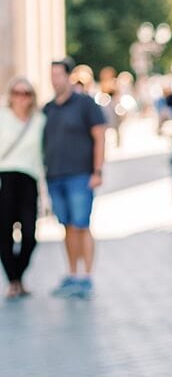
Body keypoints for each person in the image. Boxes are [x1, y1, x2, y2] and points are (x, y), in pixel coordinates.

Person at [42, 56, 106, 299]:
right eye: (52, 76)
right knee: (67, 227)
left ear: (68, 76)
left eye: (58, 75)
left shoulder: (85, 104)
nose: (54, 80)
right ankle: (71, 273)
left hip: (80, 175)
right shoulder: (48, 108)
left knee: (82, 225)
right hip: (55, 176)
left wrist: (97, 170)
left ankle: (86, 277)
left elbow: (100, 136)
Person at [0, 77, 45, 299]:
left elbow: (41, 155)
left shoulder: (39, 120)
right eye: (16, 93)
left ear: (31, 97)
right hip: (5, 178)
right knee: (4, 233)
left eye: (26, 93)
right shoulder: (2, 117)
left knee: (30, 235)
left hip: (29, 180)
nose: (21, 97)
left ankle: (17, 276)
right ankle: (13, 281)